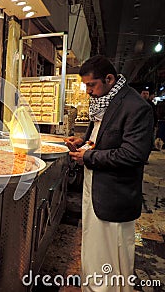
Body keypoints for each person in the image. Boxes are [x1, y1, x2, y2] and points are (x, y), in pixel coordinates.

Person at [65, 55, 153, 291]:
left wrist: (88, 157)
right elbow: (101, 138)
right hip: (94, 187)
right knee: (94, 247)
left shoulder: (137, 108)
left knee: (111, 254)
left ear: (110, 79)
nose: (88, 92)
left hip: (114, 194)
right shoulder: (105, 101)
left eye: (91, 85)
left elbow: (133, 155)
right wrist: (83, 143)